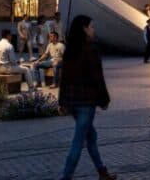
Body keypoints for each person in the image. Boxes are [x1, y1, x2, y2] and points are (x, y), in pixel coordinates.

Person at [58, 15, 115, 180]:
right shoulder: (92, 48)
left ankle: (102, 172)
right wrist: (104, 99)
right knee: (78, 141)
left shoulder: (70, 48)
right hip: (86, 101)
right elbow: (97, 76)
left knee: (91, 135)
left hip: (72, 100)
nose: (93, 30)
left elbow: (64, 77)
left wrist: (62, 101)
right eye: (91, 27)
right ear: (84, 28)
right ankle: (66, 177)